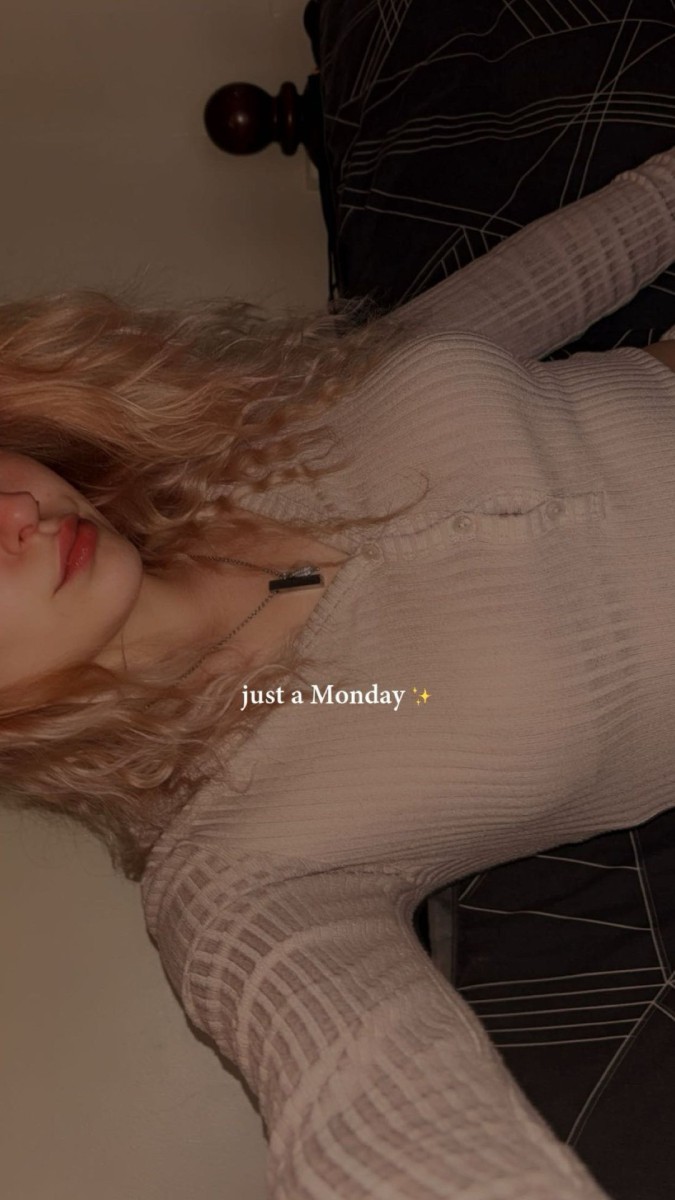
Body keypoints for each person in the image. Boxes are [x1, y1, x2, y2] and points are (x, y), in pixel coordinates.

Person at [2, 144, 675, 1200]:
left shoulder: (247, 422)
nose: (13, 514)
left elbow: (556, 276)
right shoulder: (241, 868)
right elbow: (360, 1094)